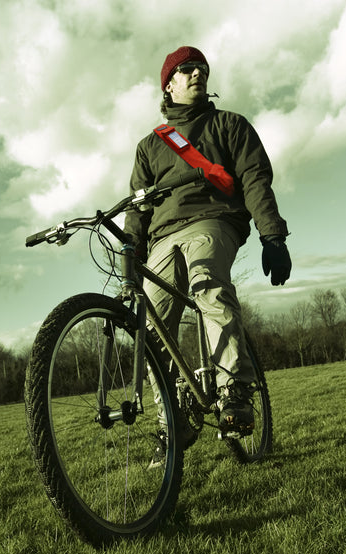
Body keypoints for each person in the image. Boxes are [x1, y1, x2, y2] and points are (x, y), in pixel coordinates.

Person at [123, 45, 291, 445]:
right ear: (168, 85)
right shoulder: (149, 146)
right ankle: (172, 417)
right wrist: (131, 253)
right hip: (162, 236)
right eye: (186, 69)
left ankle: (234, 392)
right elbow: (137, 207)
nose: (197, 73)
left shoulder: (229, 125)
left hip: (212, 220)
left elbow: (255, 179)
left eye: (202, 68)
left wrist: (272, 235)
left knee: (207, 286)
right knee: (150, 325)